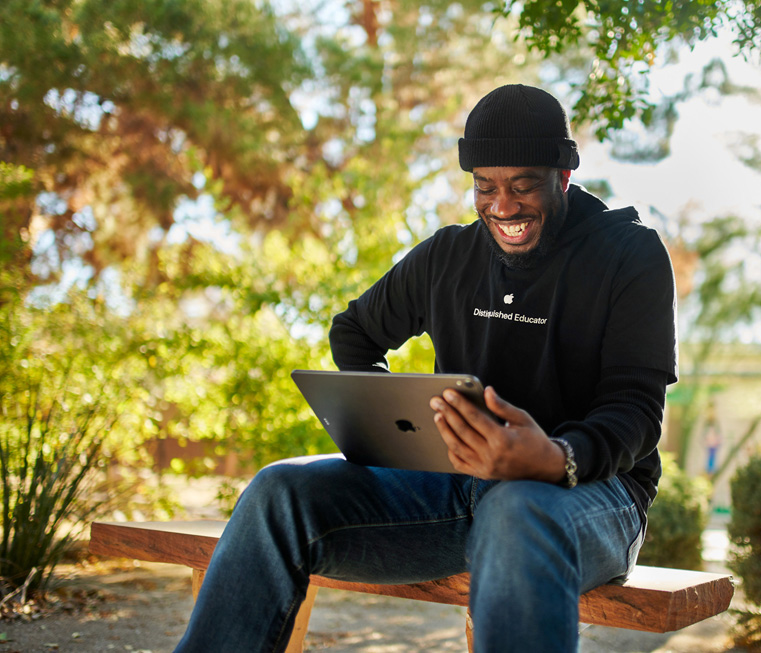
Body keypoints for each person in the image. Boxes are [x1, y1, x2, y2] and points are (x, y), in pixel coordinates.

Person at [174, 83, 677, 653]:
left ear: (562, 177)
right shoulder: (448, 256)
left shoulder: (629, 255)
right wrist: (401, 435)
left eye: (523, 186)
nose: (503, 207)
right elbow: (354, 332)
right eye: (485, 187)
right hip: (451, 490)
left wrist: (555, 458)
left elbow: (637, 410)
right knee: (276, 492)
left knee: (514, 511)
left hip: (591, 493)